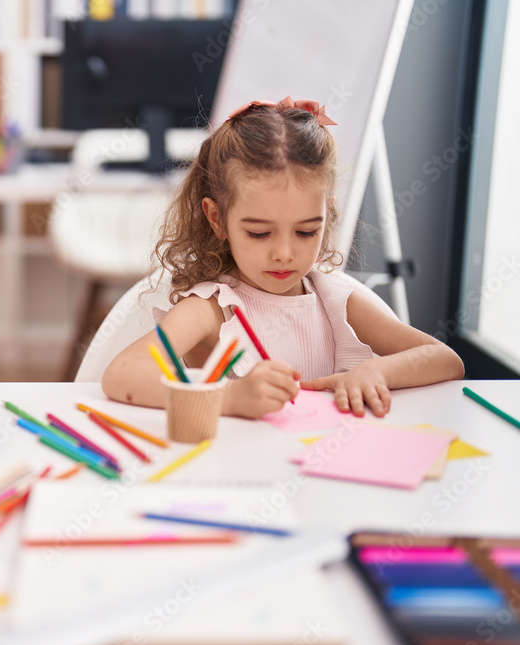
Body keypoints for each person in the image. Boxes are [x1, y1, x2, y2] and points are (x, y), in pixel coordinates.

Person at [102, 97, 464, 419]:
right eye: (259, 233)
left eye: (307, 231)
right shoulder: (213, 309)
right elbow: (123, 374)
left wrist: (376, 372)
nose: (285, 254)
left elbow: (445, 360)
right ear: (217, 219)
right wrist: (229, 398)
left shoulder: (332, 300)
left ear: (328, 215)